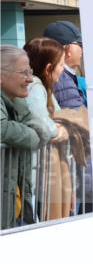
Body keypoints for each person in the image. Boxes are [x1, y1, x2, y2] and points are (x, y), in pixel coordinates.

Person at [1, 46, 48, 228]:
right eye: (23, 73)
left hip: (14, 206)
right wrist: (31, 136)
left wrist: (32, 134)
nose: (30, 79)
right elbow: (2, 127)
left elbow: (42, 129)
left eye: (30, 71)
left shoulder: (18, 100)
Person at [22, 38, 68, 145]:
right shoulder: (34, 87)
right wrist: (60, 130)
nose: (63, 69)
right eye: (61, 65)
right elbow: (44, 127)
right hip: (33, 160)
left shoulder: (43, 87)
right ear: (48, 69)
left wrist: (63, 127)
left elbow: (63, 119)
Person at [42, 21, 86, 108]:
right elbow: (75, 118)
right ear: (68, 49)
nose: (82, 50)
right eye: (80, 44)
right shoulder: (61, 78)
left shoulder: (61, 75)